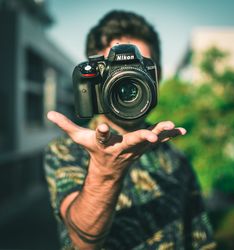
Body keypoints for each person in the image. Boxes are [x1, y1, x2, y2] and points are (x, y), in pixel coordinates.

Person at [45, 10, 216, 250]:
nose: (127, 76)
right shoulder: (65, 150)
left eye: (141, 67)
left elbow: (201, 238)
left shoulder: (175, 158)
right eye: (112, 69)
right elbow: (82, 242)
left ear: (157, 76)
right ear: (94, 79)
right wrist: (105, 173)